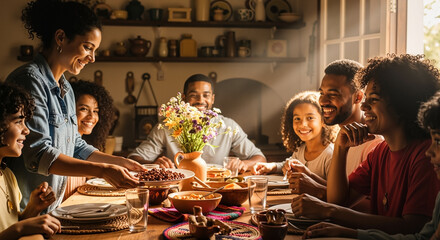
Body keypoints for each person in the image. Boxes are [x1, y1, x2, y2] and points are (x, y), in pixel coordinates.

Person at [6, 0, 143, 212]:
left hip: (51, 210)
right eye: (88, 47)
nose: (92, 58)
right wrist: (103, 171)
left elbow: (75, 146)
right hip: (24, 210)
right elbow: (39, 154)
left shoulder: (67, 89)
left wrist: (119, 162)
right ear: (61, 37)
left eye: (95, 50)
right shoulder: (29, 80)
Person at [291, 54, 440, 234]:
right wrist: (340, 147)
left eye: (374, 99)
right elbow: (338, 200)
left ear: (402, 103)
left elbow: (412, 227)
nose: (363, 106)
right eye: (366, 98)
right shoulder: (380, 152)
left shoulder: (426, 156)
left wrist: (330, 211)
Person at [129, 73, 266, 172]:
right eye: (194, 95)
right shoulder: (168, 126)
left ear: (212, 99)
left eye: (206, 95)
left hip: (218, 187)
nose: (200, 101)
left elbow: (260, 159)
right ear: (183, 98)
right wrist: (153, 164)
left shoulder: (228, 126)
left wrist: (243, 163)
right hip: (179, 188)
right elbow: (134, 159)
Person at [0, 83, 61, 239]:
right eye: (18, 122)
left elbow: (11, 227)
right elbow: (15, 230)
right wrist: (20, 229)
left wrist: (33, 209)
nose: (26, 130)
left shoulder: (7, 175)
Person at [252, 91, 338, 194]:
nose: (302, 124)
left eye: (310, 118)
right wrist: (272, 167)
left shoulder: (331, 155)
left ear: (323, 121)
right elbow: (286, 164)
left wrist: (307, 176)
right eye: (297, 118)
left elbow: (334, 191)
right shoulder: (301, 150)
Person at [63, 80, 115, 200]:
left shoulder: (86, 146)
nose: (92, 116)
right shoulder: (62, 144)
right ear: (69, 110)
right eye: (84, 109)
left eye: (95, 111)